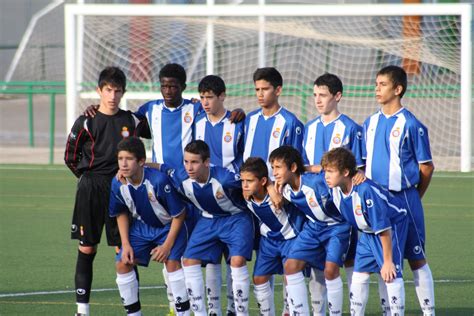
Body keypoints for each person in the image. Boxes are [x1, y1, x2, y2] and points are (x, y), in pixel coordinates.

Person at [64, 66, 149, 316]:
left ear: (123, 93)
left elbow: (160, 125)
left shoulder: (131, 121)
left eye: (118, 91)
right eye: (108, 90)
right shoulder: (86, 121)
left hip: (120, 190)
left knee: (124, 251)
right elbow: (70, 156)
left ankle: (133, 311)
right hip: (90, 189)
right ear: (100, 90)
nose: (112, 96)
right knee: (87, 248)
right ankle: (82, 310)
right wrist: (88, 178)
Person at [362, 65, 435, 315]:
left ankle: (428, 312)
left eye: (382, 84)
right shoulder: (369, 123)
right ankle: (390, 311)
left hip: (404, 199)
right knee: (385, 260)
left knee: (416, 257)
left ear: (398, 89)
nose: (377, 89)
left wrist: (414, 196)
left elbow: (426, 167)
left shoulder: (412, 124)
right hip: (375, 202)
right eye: (376, 84)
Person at [160, 140, 254, 316]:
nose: (189, 167)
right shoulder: (181, 176)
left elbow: (250, 182)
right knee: (188, 260)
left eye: (194, 162)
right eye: (186, 162)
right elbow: (161, 167)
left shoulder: (225, 179)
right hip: (207, 220)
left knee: (237, 261)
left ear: (206, 162)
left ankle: (242, 313)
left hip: (236, 219)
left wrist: (269, 189)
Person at [302, 73, 364, 314]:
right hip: (314, 210)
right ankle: (319, 310)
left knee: (348, 260)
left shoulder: (350, 128)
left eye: (323, 95)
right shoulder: (309, 128)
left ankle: (354, 308)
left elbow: (359, 168)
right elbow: (304, 168)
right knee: (317, 263)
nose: (318, 100)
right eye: (315, 95)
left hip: (342, 210)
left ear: (337, 96)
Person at [321, 147, 409, 316]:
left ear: (346, 172)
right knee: (360, 274)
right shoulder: (334, 187)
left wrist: (388, 260)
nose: (326, 175)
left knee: (390, 274)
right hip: (368, 232)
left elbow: (383, 226)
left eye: (331, 171)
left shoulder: (365, 191)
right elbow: (313, 171)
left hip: (391, 228)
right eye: (326, 171)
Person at [109, 137, 191, 316]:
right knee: (122, 263)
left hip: (169, 226)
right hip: (141, 227)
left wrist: (166, 246)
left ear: (140, 161)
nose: (123, 164)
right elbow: (120, 213)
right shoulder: (117, 183)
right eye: (120, 158)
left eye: (129, 159)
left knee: (172, 263)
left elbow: (179, 215)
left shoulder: (159, 181)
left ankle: (183, 313)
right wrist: (126, 244)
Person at [270, 146, 351, 316]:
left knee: (330, 271)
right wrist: (272, 190)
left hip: (337, 227)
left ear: (292, 168)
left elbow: (334, 174)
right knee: (290, 267)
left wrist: (356, 174)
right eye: (273, 168)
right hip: (313, 228)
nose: (274, 172)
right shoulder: (283, 187)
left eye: (278, 167)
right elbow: (262, 180)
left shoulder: (316, 182)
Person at [194, 75, 245, 315]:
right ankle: (213, 309)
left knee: (234, 258)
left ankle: (234, 308)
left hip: (232, 199)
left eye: (210, 97)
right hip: (206, 201)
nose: (205, 102)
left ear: (222, 96)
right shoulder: (197, 121)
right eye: (202, 97)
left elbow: (245, 157)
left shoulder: (237, 122)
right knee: (212, 258)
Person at [240, 157, 306, 316]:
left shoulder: (279, 191)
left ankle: (289, 310)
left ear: (263, 181)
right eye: (243, 181)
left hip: (291, 238)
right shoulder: (245, 193)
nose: (245, 185)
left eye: (249, 181)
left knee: (290, 274)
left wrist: (271, 187)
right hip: (268, 241)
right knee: (259, 278)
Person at [243, 67, 304, 179]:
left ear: (278, 90)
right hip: (250, 185)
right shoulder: (250, 119)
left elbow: (296, 161)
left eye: (265, 89)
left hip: (276, 187)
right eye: (257, 89)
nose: (260, 94)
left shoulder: (290, 122)